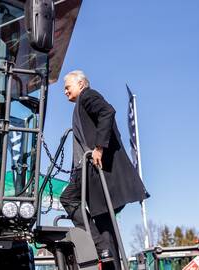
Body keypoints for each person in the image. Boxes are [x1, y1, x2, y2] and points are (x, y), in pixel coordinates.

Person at [59, 70, 149, 270]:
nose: (65, 91)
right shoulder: (80, 104)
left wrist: (99, 147)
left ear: (81, 84)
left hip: (92, 170)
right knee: (104, 226)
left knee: (68, 199)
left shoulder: (88, 95)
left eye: (67, 87)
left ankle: (98, 245)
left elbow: (107, 111)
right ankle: (106, 253)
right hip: (86, 171)